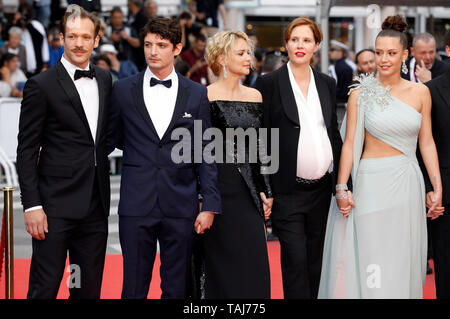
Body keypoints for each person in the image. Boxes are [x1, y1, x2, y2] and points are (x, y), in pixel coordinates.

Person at [318, 15, 444, 299]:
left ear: (405, 55)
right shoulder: (360, 93)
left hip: (407, 187)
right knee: (372, 261)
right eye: (378, 52)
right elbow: (349, 144)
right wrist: (341, 187)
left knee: (402, 259)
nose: (384, 59)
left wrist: (436, 186)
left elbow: (427, 143)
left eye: (391, 53)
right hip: (371, 185)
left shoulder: (421, 92)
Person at [107, 17, 221, 299]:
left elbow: (206, 151)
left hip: (180, 203)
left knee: (177, 287)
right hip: (136, 202)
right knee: (133, 287)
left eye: (161, 45)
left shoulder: (196, 94)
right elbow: (111, 139)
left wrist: (209, 204)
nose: (153, 51)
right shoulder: (122, 90)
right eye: (148, 45)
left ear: (177, 48)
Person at [16, 5, 112, 299]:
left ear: (96, 40)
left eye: (86, 36)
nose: (79, 43)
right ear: (61, 39)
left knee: (85, 289)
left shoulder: (106, 80)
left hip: (95, 207)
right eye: (72, 36)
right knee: (44, 288)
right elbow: (27, 149)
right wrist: (32, 205)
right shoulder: (40, 86)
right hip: (54, 209)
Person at [254, 17, 345, 299]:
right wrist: (264, 186)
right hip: (288, 191)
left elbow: (332, 132)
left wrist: (344, 182)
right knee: (295, 261)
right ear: (286, 44)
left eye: (306, 40)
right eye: (294, 40)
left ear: (316, 45)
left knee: (316, 262)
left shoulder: (327, 83)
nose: (299, 45)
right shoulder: (269, 83)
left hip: (322, 191)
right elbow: (261, 138)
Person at [201, 30, 272, 299]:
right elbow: (199, 152)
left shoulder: (255, 96)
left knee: (253, 264)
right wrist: (202, 197)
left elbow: (261, 147)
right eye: (241, 53)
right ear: (221, 58)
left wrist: (267, 191)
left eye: (248, 53)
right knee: (220, 267)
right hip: (217, 190)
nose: (248, 58)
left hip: (249, 193)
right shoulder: (203, 95)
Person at [421, 68, 450, 298]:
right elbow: (423, 144)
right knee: (444, 259)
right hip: (444, 191)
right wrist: (429, 188)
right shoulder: (430, 90)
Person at [328, 40, 354, 106]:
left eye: (332, 50)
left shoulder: (345, 68)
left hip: (340, 106)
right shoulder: (336, 65)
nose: (329, 52)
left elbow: (345, 91)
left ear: (340, 52)